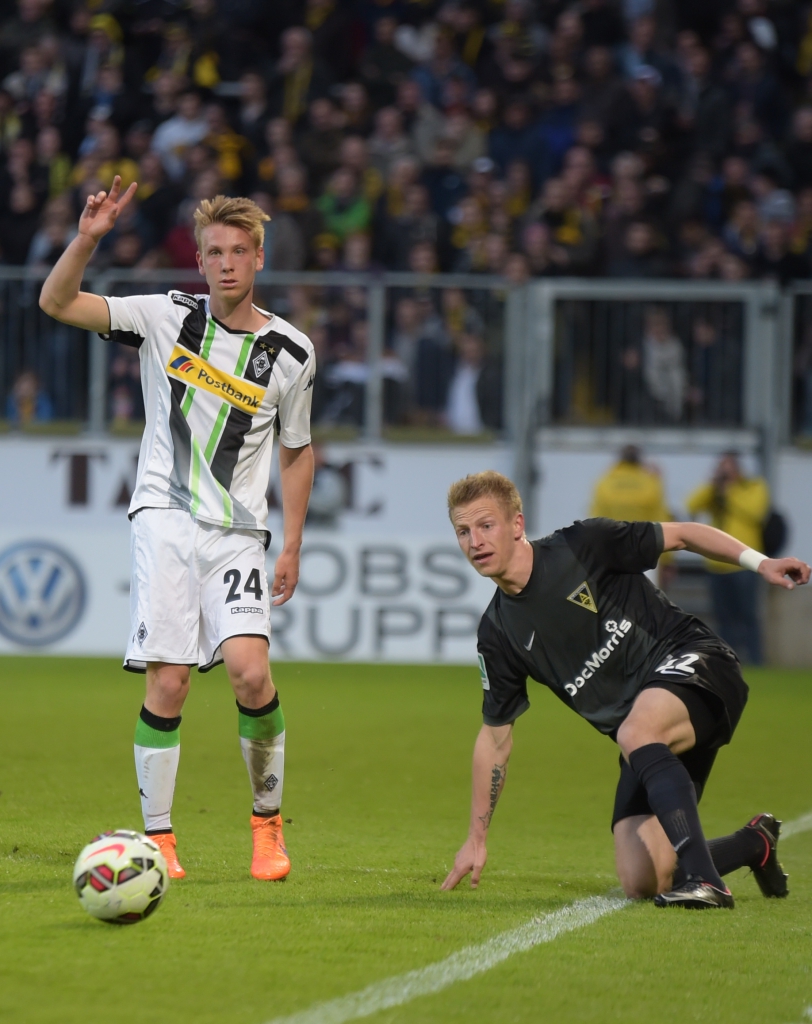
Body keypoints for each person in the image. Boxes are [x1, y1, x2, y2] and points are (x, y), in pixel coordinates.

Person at [39, 177, 316, 883]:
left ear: (259, 258)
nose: (226, 263)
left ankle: (267, 826)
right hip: (163, 519)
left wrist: (291, 543)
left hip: (239, 532)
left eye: (239, 251)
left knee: (251, 673)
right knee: (169, 683)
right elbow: (57, 302)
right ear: (199, 261)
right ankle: (159, 840)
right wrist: (87, 239)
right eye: (214, 252)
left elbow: (296, 449)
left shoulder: (291, 352)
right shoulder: (164, 317)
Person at [441, 471, 809, 908]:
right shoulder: (499, 632)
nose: (475, 541)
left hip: (699, 665)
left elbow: (684, 535)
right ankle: (754, 843)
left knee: (635, 732)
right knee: (643, 879)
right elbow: (495, 738)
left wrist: (760, 562)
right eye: (463, 531)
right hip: (647, 735)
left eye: (486, 525)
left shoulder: (582, 544)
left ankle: (706, 882)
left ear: (517, 524)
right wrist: (476, 839)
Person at [686, 453, 770, 665]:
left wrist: (730, 491)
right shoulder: (715, 491)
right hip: (717, 564)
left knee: (748, 615)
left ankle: (755, 659)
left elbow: (756, 512)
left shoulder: (753, 486)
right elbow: (692, 504)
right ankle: (730, 661)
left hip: (746, 564)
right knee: (724, 617)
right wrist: (713, 485)